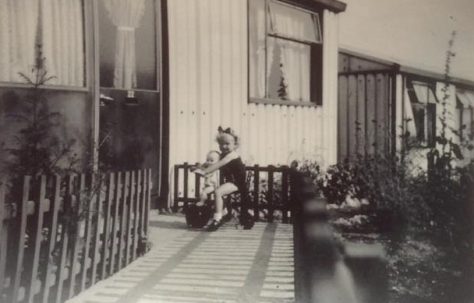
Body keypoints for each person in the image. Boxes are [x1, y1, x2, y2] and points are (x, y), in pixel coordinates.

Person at [194, 126, 254, 231]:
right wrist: (199, 167)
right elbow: (211, 163)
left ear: (235, 145)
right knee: (215, 191)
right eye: (221, 144)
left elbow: (218, 164)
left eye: (227, 144)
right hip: (230, 182)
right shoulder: (223, 155)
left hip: (238, 183)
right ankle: (224, 212)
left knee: (218, 192)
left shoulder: (231, 155)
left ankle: (217, 218)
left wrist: (204, 172)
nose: (224, 146)